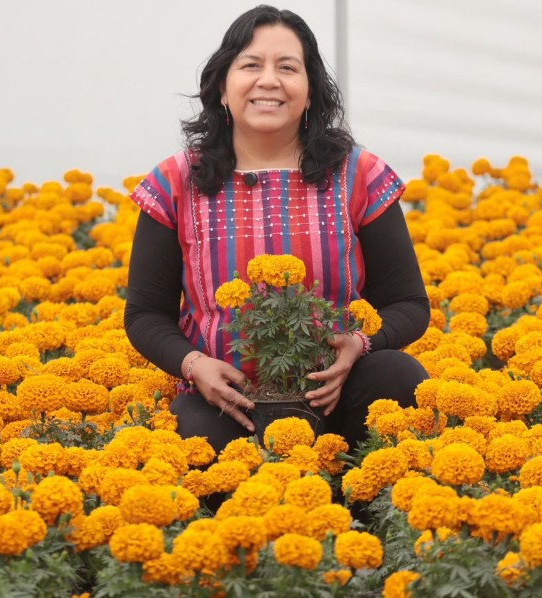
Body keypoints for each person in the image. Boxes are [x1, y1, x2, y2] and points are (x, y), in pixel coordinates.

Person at [124, 5, 430, 458]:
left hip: (335, 393)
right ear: (223, 88)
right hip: (230, 400)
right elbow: (146, 315)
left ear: (310, 92)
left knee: (399, 377)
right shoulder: (176, 182)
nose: (269, 80)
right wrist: (195, 367)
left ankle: (360, 500)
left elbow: (409, 304)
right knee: (197, 438)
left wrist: (360, 345)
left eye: (287, 67)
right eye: (251, 65)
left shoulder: (357, 175)